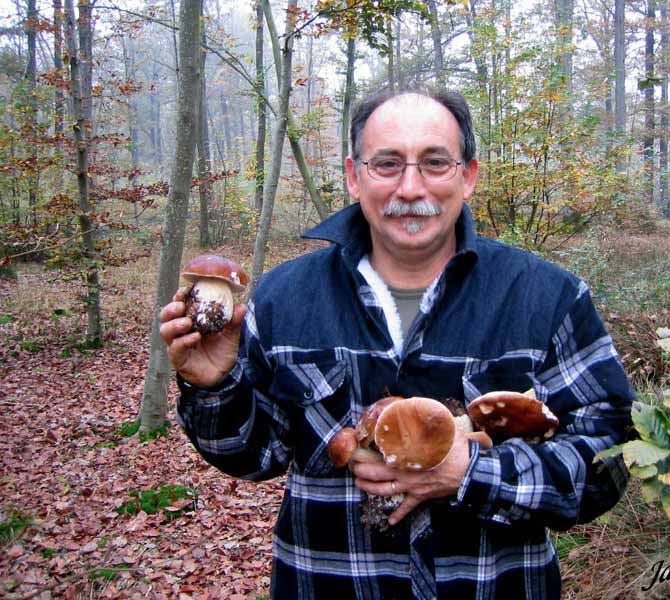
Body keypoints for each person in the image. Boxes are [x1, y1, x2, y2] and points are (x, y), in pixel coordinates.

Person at [160, 88, 635, 600]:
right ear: (353, 174)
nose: (410, 188)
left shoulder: (546, 297)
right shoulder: (285, 297)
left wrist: (472, 474)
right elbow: (253, 456)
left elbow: (610, 458)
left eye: (435, 163)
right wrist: (214, 387)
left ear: (467, 175)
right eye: (387, 164)